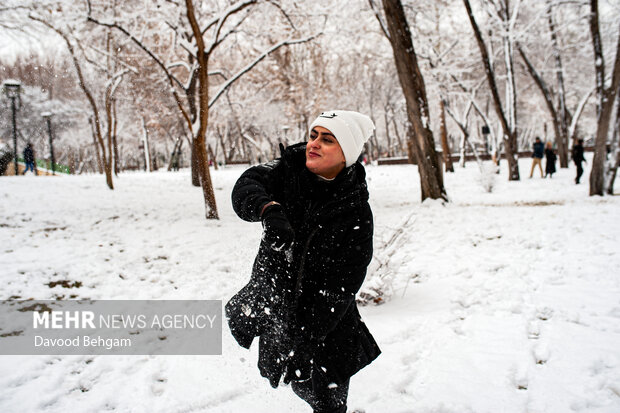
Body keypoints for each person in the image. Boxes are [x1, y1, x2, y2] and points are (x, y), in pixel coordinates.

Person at [226, 110, 381, 413]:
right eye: (313, 135)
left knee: (328, 396)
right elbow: (246, 185)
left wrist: (308, 338)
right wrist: (268, 209)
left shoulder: (356, 211)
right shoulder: (288, 169)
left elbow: (341, 287)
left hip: (325, 317)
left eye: (327, 139)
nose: (314, 144)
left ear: (345, 154)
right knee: (295, 383)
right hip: (277, 301)